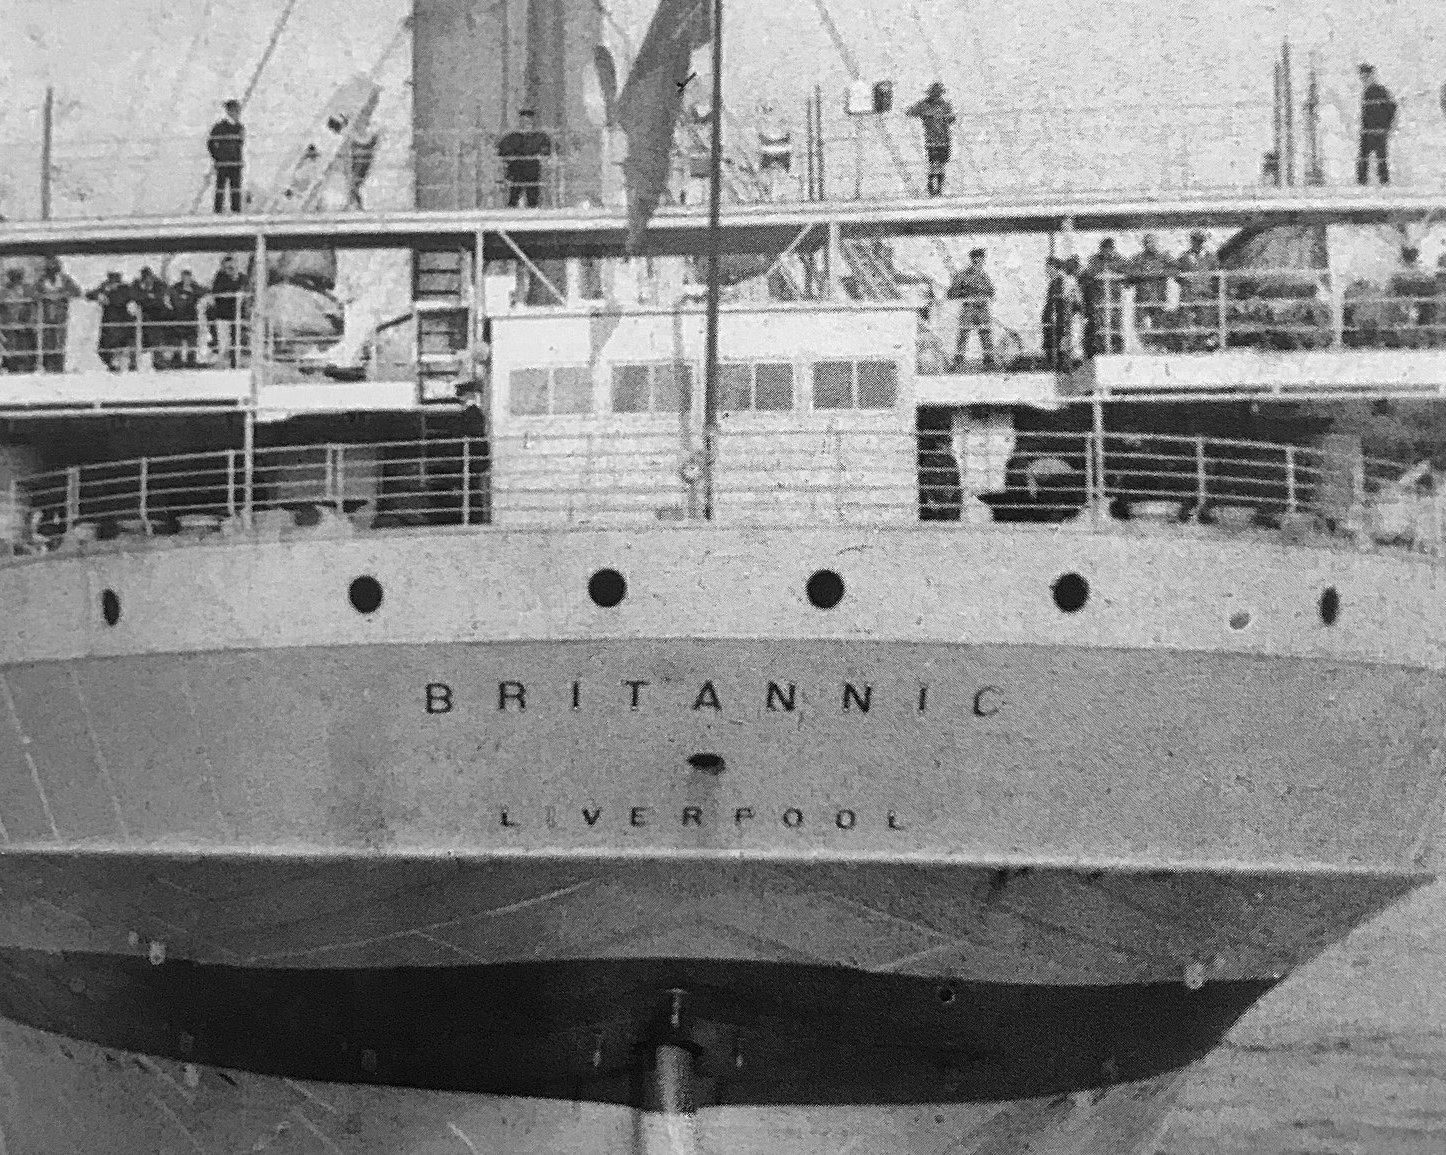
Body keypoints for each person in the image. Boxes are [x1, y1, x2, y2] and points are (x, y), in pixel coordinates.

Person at [947, 248, 995, 369]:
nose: (980, 261)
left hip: (982, 308)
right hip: (968, 308)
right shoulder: (962, 274)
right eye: (977, 259)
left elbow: (991, 292)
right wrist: (964, 291)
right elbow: (951, 294)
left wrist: (983, 290)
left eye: (982, 259)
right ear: (973, 259)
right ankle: (958, 362)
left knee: (986, 334)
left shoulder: (984, 276)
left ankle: (989, 362)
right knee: (963, 334)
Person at [906, 82, 955, 196]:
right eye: (935, 93)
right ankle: (931, 185)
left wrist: (946, 118)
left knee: (941, 164)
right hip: (932, 139)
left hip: (944, 139)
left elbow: (952, 118)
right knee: (934, 163)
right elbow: (910, 112)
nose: (937, 96)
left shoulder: (945, 105)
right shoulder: (924, 104)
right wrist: (925, 115)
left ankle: (938, 187)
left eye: (938, 94)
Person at [1126, 233, 1176, 346]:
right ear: (1144, 244)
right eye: (1147, 242)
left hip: (1158, 297)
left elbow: (1176, 268)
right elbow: (1129, 275)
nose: (1150, 245)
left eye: (1152, 242)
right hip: (1142, 298)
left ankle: (1157, 345)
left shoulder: (1163, 257)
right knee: (1139, 324)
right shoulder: (1137, 258)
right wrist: (1141, 275)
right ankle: (1146, 345)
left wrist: (1162, 273)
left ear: (1156, 243)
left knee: (1158, 324)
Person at [497, 109, 553, 208]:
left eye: (529, 120)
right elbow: (503, 151)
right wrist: (510, 157)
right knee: (514, 195)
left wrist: (541, 156)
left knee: (533, 196)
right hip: (515, 170)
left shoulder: (540, 137)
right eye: (523, 120)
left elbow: (545, 151)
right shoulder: (512, 137)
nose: (526, 123)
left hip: (532, 170)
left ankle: (533, 211)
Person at [1175, 230, 1221, 350]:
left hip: (1206, 293)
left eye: (1200, 241)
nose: (1198, 243)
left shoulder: (1211, 257)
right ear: (1192, 241)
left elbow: (1216, 276)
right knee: (1188, 319)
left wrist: (1208, 286)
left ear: (1203, 242)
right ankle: (1189, 345)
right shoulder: (1184, 257)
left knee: (1206, 319)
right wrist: (1187, 283)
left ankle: (1207, 345)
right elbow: (1177, 276)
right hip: (1189, 294)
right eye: (1195, 240)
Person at [35, 258, 82, 373]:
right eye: (49, 269)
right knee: (47, 342)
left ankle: (59, 367)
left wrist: (62, 295)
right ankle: (47, 367)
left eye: (54, 269)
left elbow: (77, 291)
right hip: (46, 317)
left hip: (61, 316)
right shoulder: (42, 281)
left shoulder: (65, 280)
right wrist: (45, 296)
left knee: (59, 341)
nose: (51, 272)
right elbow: (34, 293)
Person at [1082, 238, 1127, 354]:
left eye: (1109, 249)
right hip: (1099, 300)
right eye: (1104, 249)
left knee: (1116, 325)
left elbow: (1127, 275)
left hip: (1115, 300)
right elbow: (1090, 273)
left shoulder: (1119, 260)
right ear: (1101, 249)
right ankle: (1100, 350)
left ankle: (1117, 350)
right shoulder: (1094, 260)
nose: (1107, 252)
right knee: (1100, 325)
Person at [1356, 64, 1397, 186]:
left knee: (1378, 157)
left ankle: (1377, 181)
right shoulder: (1368, 92)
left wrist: (1385, 125)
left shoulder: (1378, 91)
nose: (1364, 80)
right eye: (1362, 77)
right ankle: (1372, 181)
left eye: (1365, 77)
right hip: (1370, 130)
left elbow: (1392, 107)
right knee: (1368, 157)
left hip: (1374, 131)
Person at [88, 271, 134, 371]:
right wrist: (99, 295)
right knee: (104, 348)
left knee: (122, 344)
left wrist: (109, 296)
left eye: (116, 280)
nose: (114, 282)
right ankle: (112, 364)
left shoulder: (125, 289)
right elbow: (90, 294)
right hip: (108, 323)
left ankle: (125, 363)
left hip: (122, 323)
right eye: (111, 279)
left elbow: (120, 300)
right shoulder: (104, 287)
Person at [208, 255, 248, 367]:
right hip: (223, 314)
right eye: (228, 266)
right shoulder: (220, 278)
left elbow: (246, 291)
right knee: (223, 341)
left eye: (232, 265)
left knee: (237, 340)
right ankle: (221, 362)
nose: (231, 267)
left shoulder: (242, 278)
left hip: (238, 315)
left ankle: (235, 363)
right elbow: (217, 293)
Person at [208, 99, 246, 213]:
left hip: (235, 163)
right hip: (223, 163)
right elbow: (211, 144)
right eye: (235, 110)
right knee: (220, 188)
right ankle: (218, 210)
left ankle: (236, 209)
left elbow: (240, 144)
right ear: (229, 111)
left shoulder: (240, 127)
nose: (237, 113)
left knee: (236, 188)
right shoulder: (219, 127)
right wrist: (218, 157)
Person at [130, 267, 171, 368]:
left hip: (158, 316)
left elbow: (158, 300)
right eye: (145, 278)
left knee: (156, 337)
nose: (147, 280)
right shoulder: (137, 285)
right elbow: (135, 296)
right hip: (142, 317)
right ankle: (133, 362)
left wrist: (146, 298)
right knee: (134, 337)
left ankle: (159, 360)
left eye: (149, 277)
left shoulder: (160, 285)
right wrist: (147, 297)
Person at [0, 269, 38, 374]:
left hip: (25, 326)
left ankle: (28, 368)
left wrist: (30, 321)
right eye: (14, 276)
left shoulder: (28, 290)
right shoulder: (3, 291)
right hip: (9, 327)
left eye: (18, 276)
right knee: (10, 349)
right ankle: (12, 367)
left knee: (27, 348)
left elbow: (35, 303)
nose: (16, 279)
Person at [169, 269, 207, 367]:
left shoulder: (195, 288)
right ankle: (177, 361)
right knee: (177, 341)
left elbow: (205, 292)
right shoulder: (176, 288)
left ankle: (191, 360)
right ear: (181, 278)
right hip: (177, 318)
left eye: (188, 277)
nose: (186, 280)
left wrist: (203, 299)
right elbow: (168, 295)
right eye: (184, 277)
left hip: (191, 319)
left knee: (192, 340)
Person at [757, 100, 793, 201]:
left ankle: (776, 194)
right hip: (773, 148)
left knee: (775, 174)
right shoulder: (764, 121)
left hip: (778, 148)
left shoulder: (777, 120)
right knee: (769, 174)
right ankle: (773, 194)